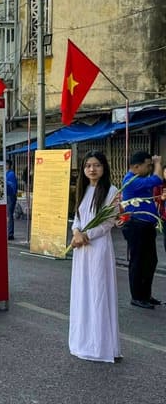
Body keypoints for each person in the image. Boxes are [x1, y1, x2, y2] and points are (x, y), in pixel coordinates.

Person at [68, 151, 121, 363]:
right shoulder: (82, 189)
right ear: (83, 169)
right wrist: (76, 232)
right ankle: (84, 340)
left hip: (98, 249)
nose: (92, 169)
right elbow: (77, 218)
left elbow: (108, 223)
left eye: (97, 165)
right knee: (83, 292)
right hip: (82, 250)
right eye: (88, 165)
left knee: (99, 292)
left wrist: (86, 235)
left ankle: (100, 345)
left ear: (104, 167)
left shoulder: (112, 191)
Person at [121, 151, 163, 309]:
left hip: (146, 226)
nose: (151, 167)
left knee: (150, 262)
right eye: (148, 165)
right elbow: (158, 179)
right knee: (138, 262)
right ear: (136, 167)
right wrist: (159, 163)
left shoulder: (140, 179)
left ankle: (146, 294)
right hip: (137, 226)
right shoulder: (131, 180)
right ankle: (137, 296)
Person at [6, 159, 18, 240]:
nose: (5, 166)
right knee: (8, 215)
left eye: (6, 164)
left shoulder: (11, 174)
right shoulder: (7, 173)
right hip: (7, 195)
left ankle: (10, 234)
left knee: (9, 214)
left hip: (10, 196)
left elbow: (13, 186)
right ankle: (9, 233)